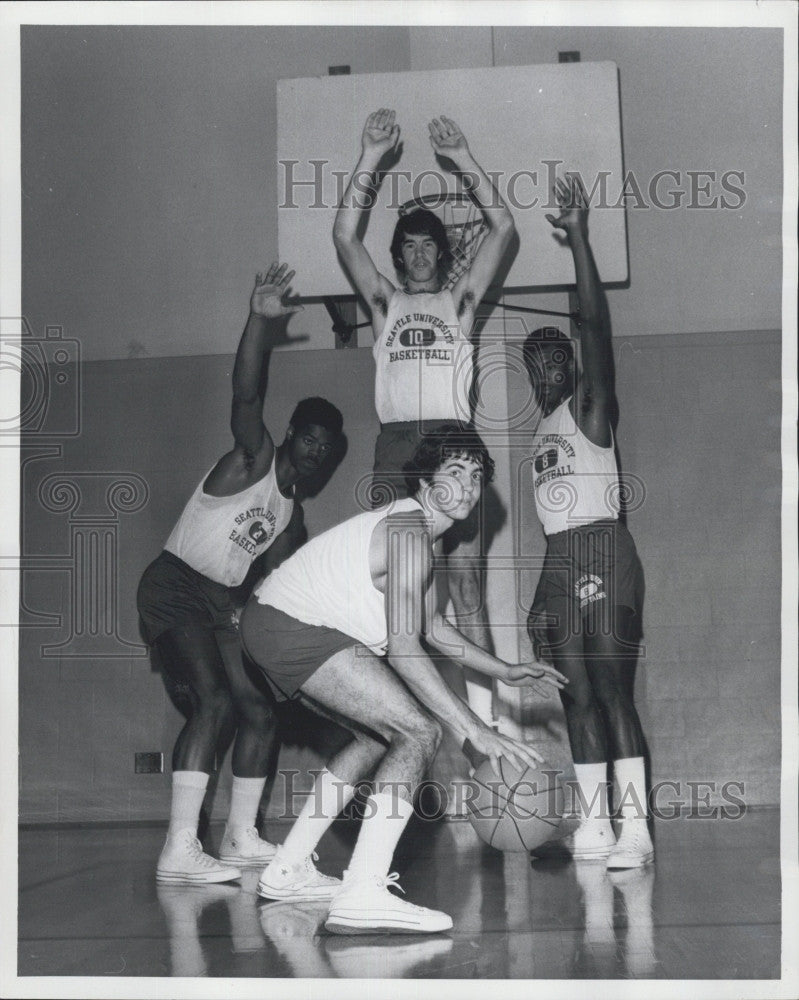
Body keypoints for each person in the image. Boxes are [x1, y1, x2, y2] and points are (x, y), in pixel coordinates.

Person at [239, 425, 567, 934]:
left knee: (374, 740)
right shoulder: (410, 532)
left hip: (277, 623)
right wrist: (473, 729)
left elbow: (431, 626)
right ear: (425, 480)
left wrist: (502, 669)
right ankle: (363, 892)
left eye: (477, 476)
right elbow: (406, 649)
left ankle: (287, 868)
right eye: (454, 471)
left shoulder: (417, 538)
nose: (468, 485)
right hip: (290, 625)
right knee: (419, 731)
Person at [137, 263, 343, 884]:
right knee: (214, 700)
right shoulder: (252, 457)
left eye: (323, 450)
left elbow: (269, 589)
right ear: (289, 436)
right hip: (174, 584)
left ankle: (240, 835)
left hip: (221, 603)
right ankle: (179, 849)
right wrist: (258, 319)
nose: (313, 453)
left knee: (258, 712)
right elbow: (246, 394)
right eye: (307, 440)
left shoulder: (292, 520)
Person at [332, 109, 516, 725]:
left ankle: (488, 733)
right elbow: (344, 239)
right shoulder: (384, 302)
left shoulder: (458, 302)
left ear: (442, 250)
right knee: (395, 597)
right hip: (396, 448)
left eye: (427, 243)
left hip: (453, 445)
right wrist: (369, 156)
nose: (417, 253)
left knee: (464, 588)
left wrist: (462, 157)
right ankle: (394, 723)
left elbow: (504, 225)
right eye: (407, 244)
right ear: (399, 253)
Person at [524, 175, 653, 868]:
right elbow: (549, 518)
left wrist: (578, 239)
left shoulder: (589, 407)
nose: (544, 369)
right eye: (532, 363)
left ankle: (634, 831)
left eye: (554, 360)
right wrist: (537, 598)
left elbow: (595, 326)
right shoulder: (537, 432)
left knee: (610, 691)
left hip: (605, 551)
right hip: (557, 559)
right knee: (574, 699)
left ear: (571, 366)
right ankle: (594, 825)